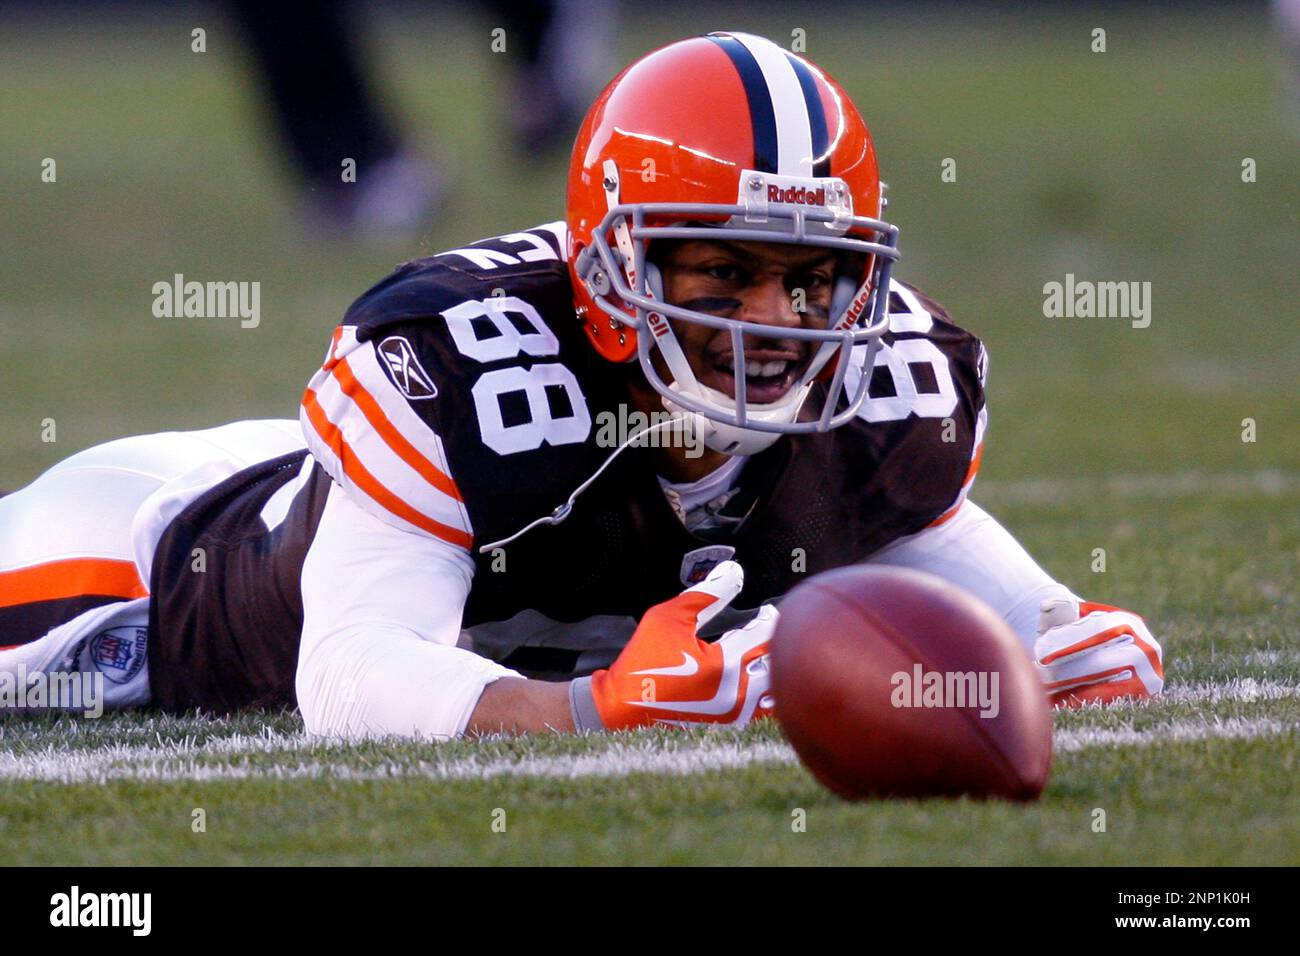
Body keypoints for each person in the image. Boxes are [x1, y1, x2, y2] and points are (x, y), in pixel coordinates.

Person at [0, 33, 1163, 738]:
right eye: (724, 272)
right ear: (615, 268)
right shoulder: (465, 366)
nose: (772, 323)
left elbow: (1045, 626)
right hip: (145, 576)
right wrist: (594, 709)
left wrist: (1054, 650)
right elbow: (347, 673)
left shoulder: (878, 391)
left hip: (369, 507)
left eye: (812, 279)